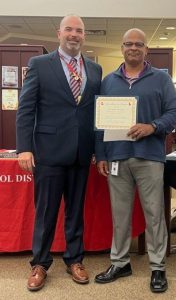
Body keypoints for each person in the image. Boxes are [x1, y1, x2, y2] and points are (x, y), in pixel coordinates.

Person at [16, 14, 102, 291]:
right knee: (46, 212)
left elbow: (95, 115)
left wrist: (98, 151)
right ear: (59, 33)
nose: (74, 34)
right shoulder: (40, 65)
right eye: (69, 29)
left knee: (76, 212)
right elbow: (26, 109)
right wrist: (24, 148)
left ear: (84, 35)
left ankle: (74, 260)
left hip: (81, 154)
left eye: (79, 30)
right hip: (49, 153)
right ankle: (39, 263)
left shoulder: (94, 69)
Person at [94, 28, 176, 293]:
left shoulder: (161, 80)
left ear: (146, 50)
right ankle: (120, 263)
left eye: (139, 44)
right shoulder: (108, 81)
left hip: (150, 157)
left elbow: (174, 113)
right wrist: (101, 154)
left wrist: (152, 126)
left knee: (154, 214)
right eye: (128, 43)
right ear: (122, 47)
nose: (133, 47)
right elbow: (98, 122)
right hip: (117, 156)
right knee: (120, 215)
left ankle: (157, 268)